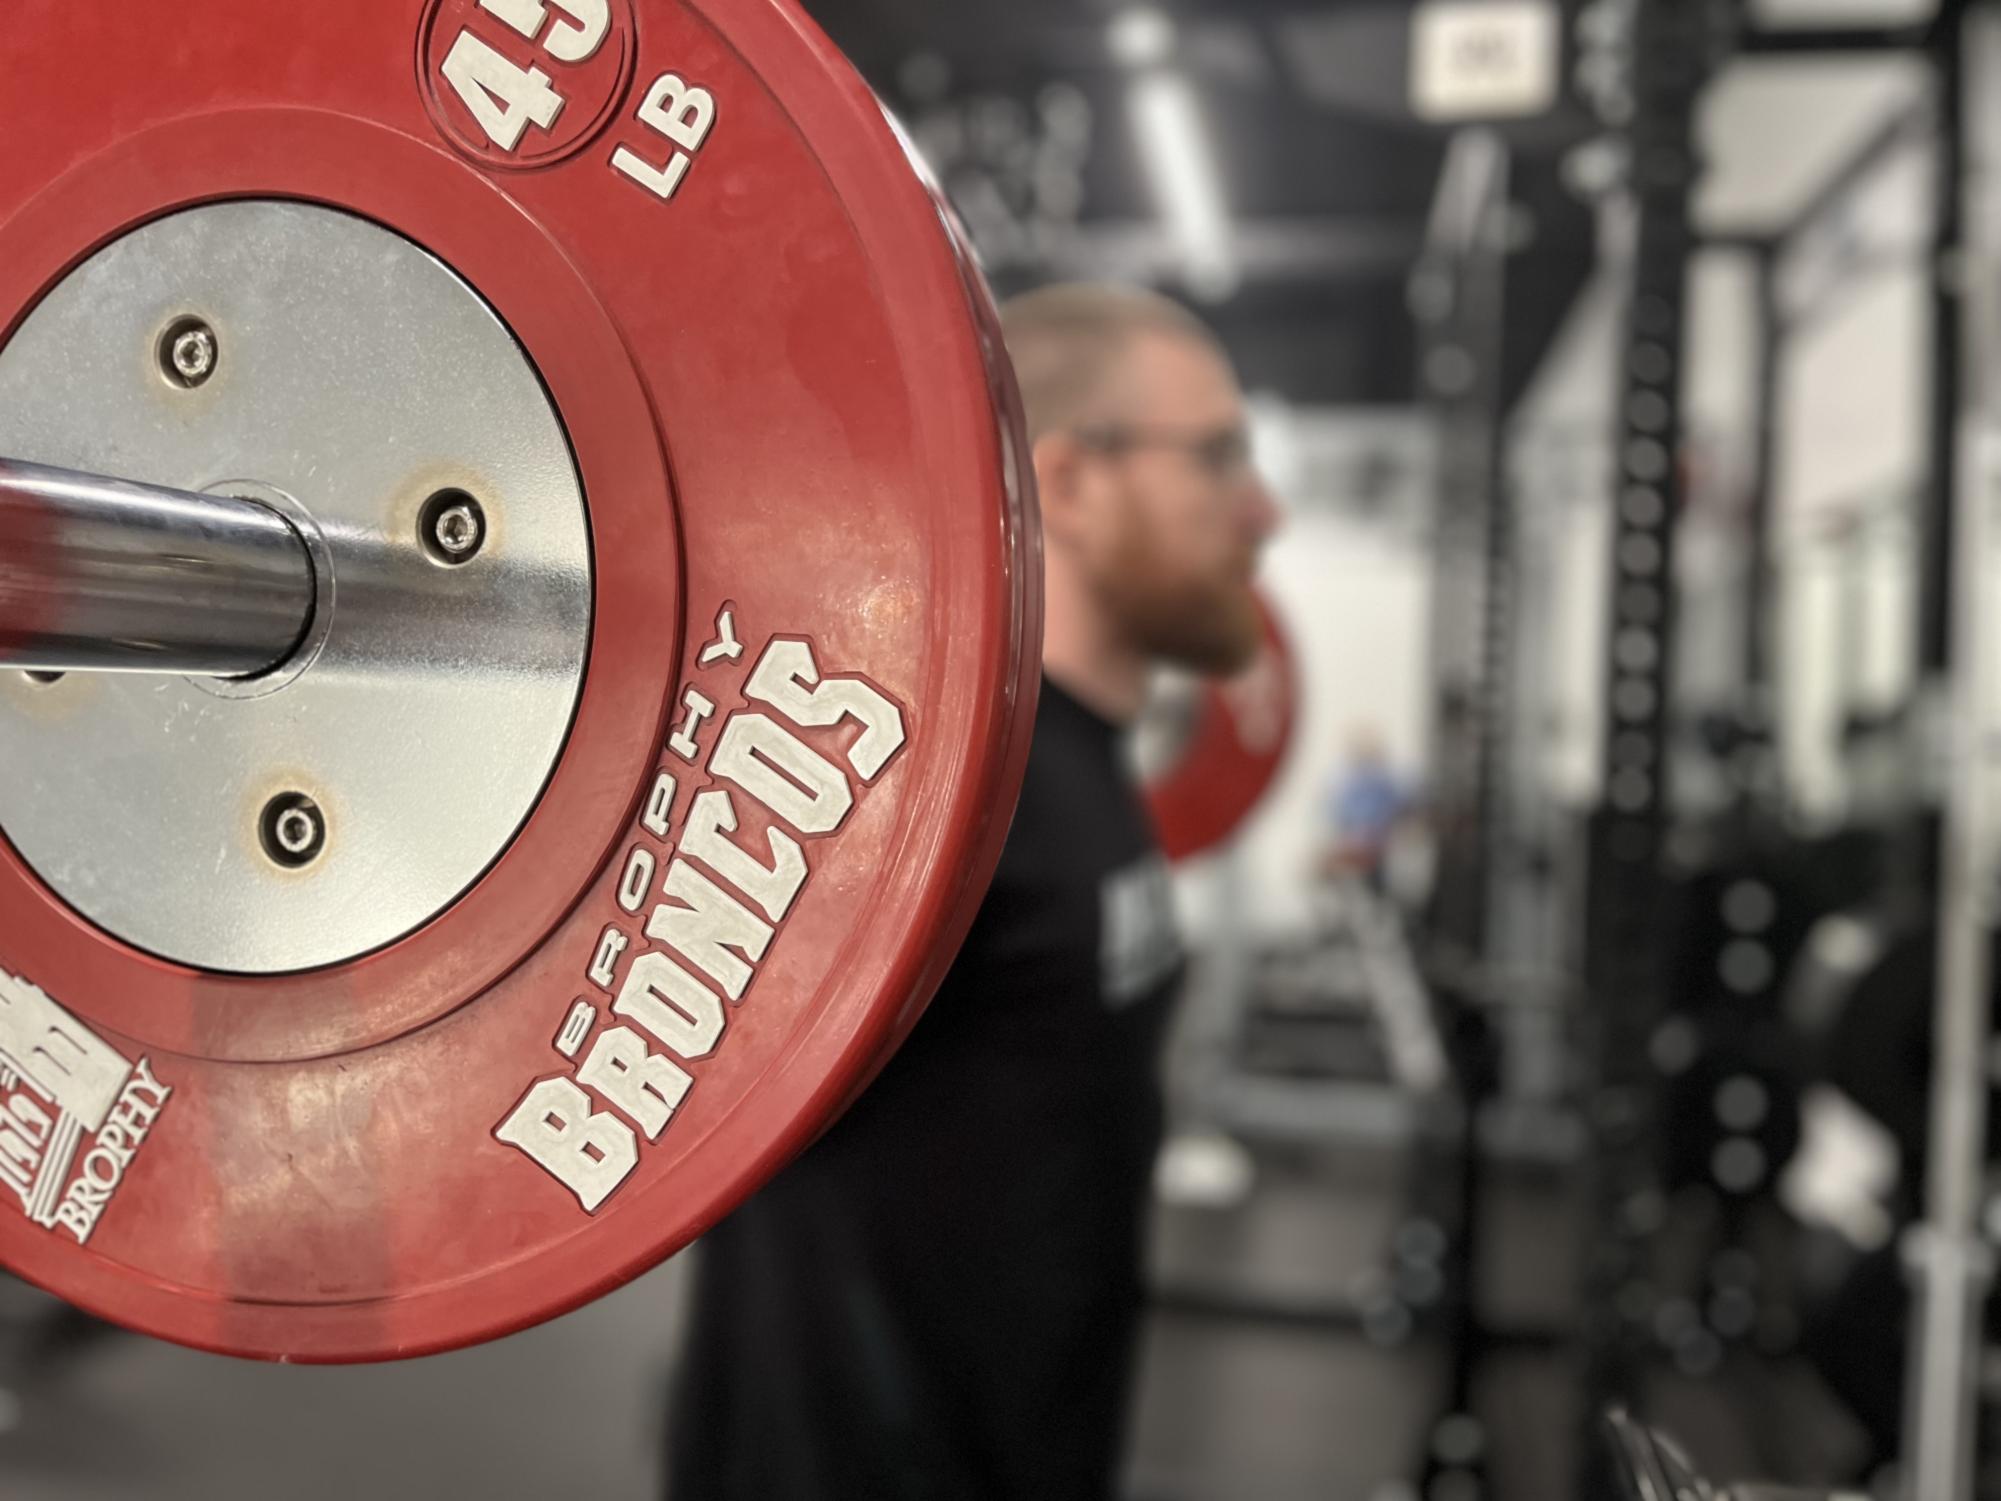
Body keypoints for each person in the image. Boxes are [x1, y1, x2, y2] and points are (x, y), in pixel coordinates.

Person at [665, 284, 1281, 1500]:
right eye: (1216, 456)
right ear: (1075, 483)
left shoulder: (1082, 768)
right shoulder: (932, 805)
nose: (1261, 511)